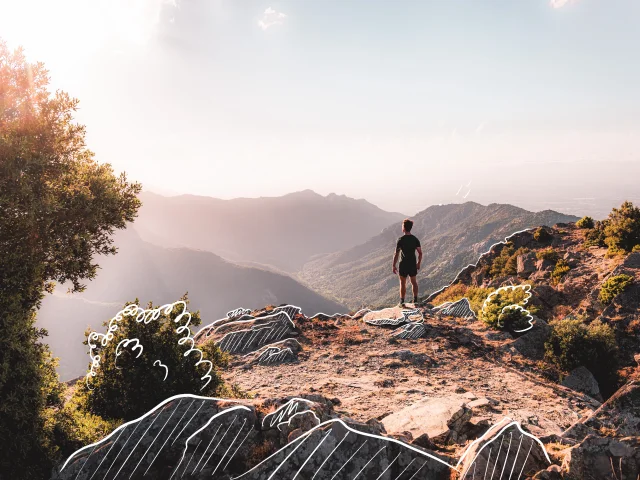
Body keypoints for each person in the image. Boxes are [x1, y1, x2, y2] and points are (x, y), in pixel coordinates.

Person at [392, 218, 422, 306]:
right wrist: (418, 263)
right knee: (414, 282)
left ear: (403, 228)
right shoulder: (415, 239)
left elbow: (396, 253)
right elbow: (420, 253)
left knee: (402, 283)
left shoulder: (400, 240)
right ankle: (415, 300)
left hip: (403, 264)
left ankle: (402, 301)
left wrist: (393, 265)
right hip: (412, 264)